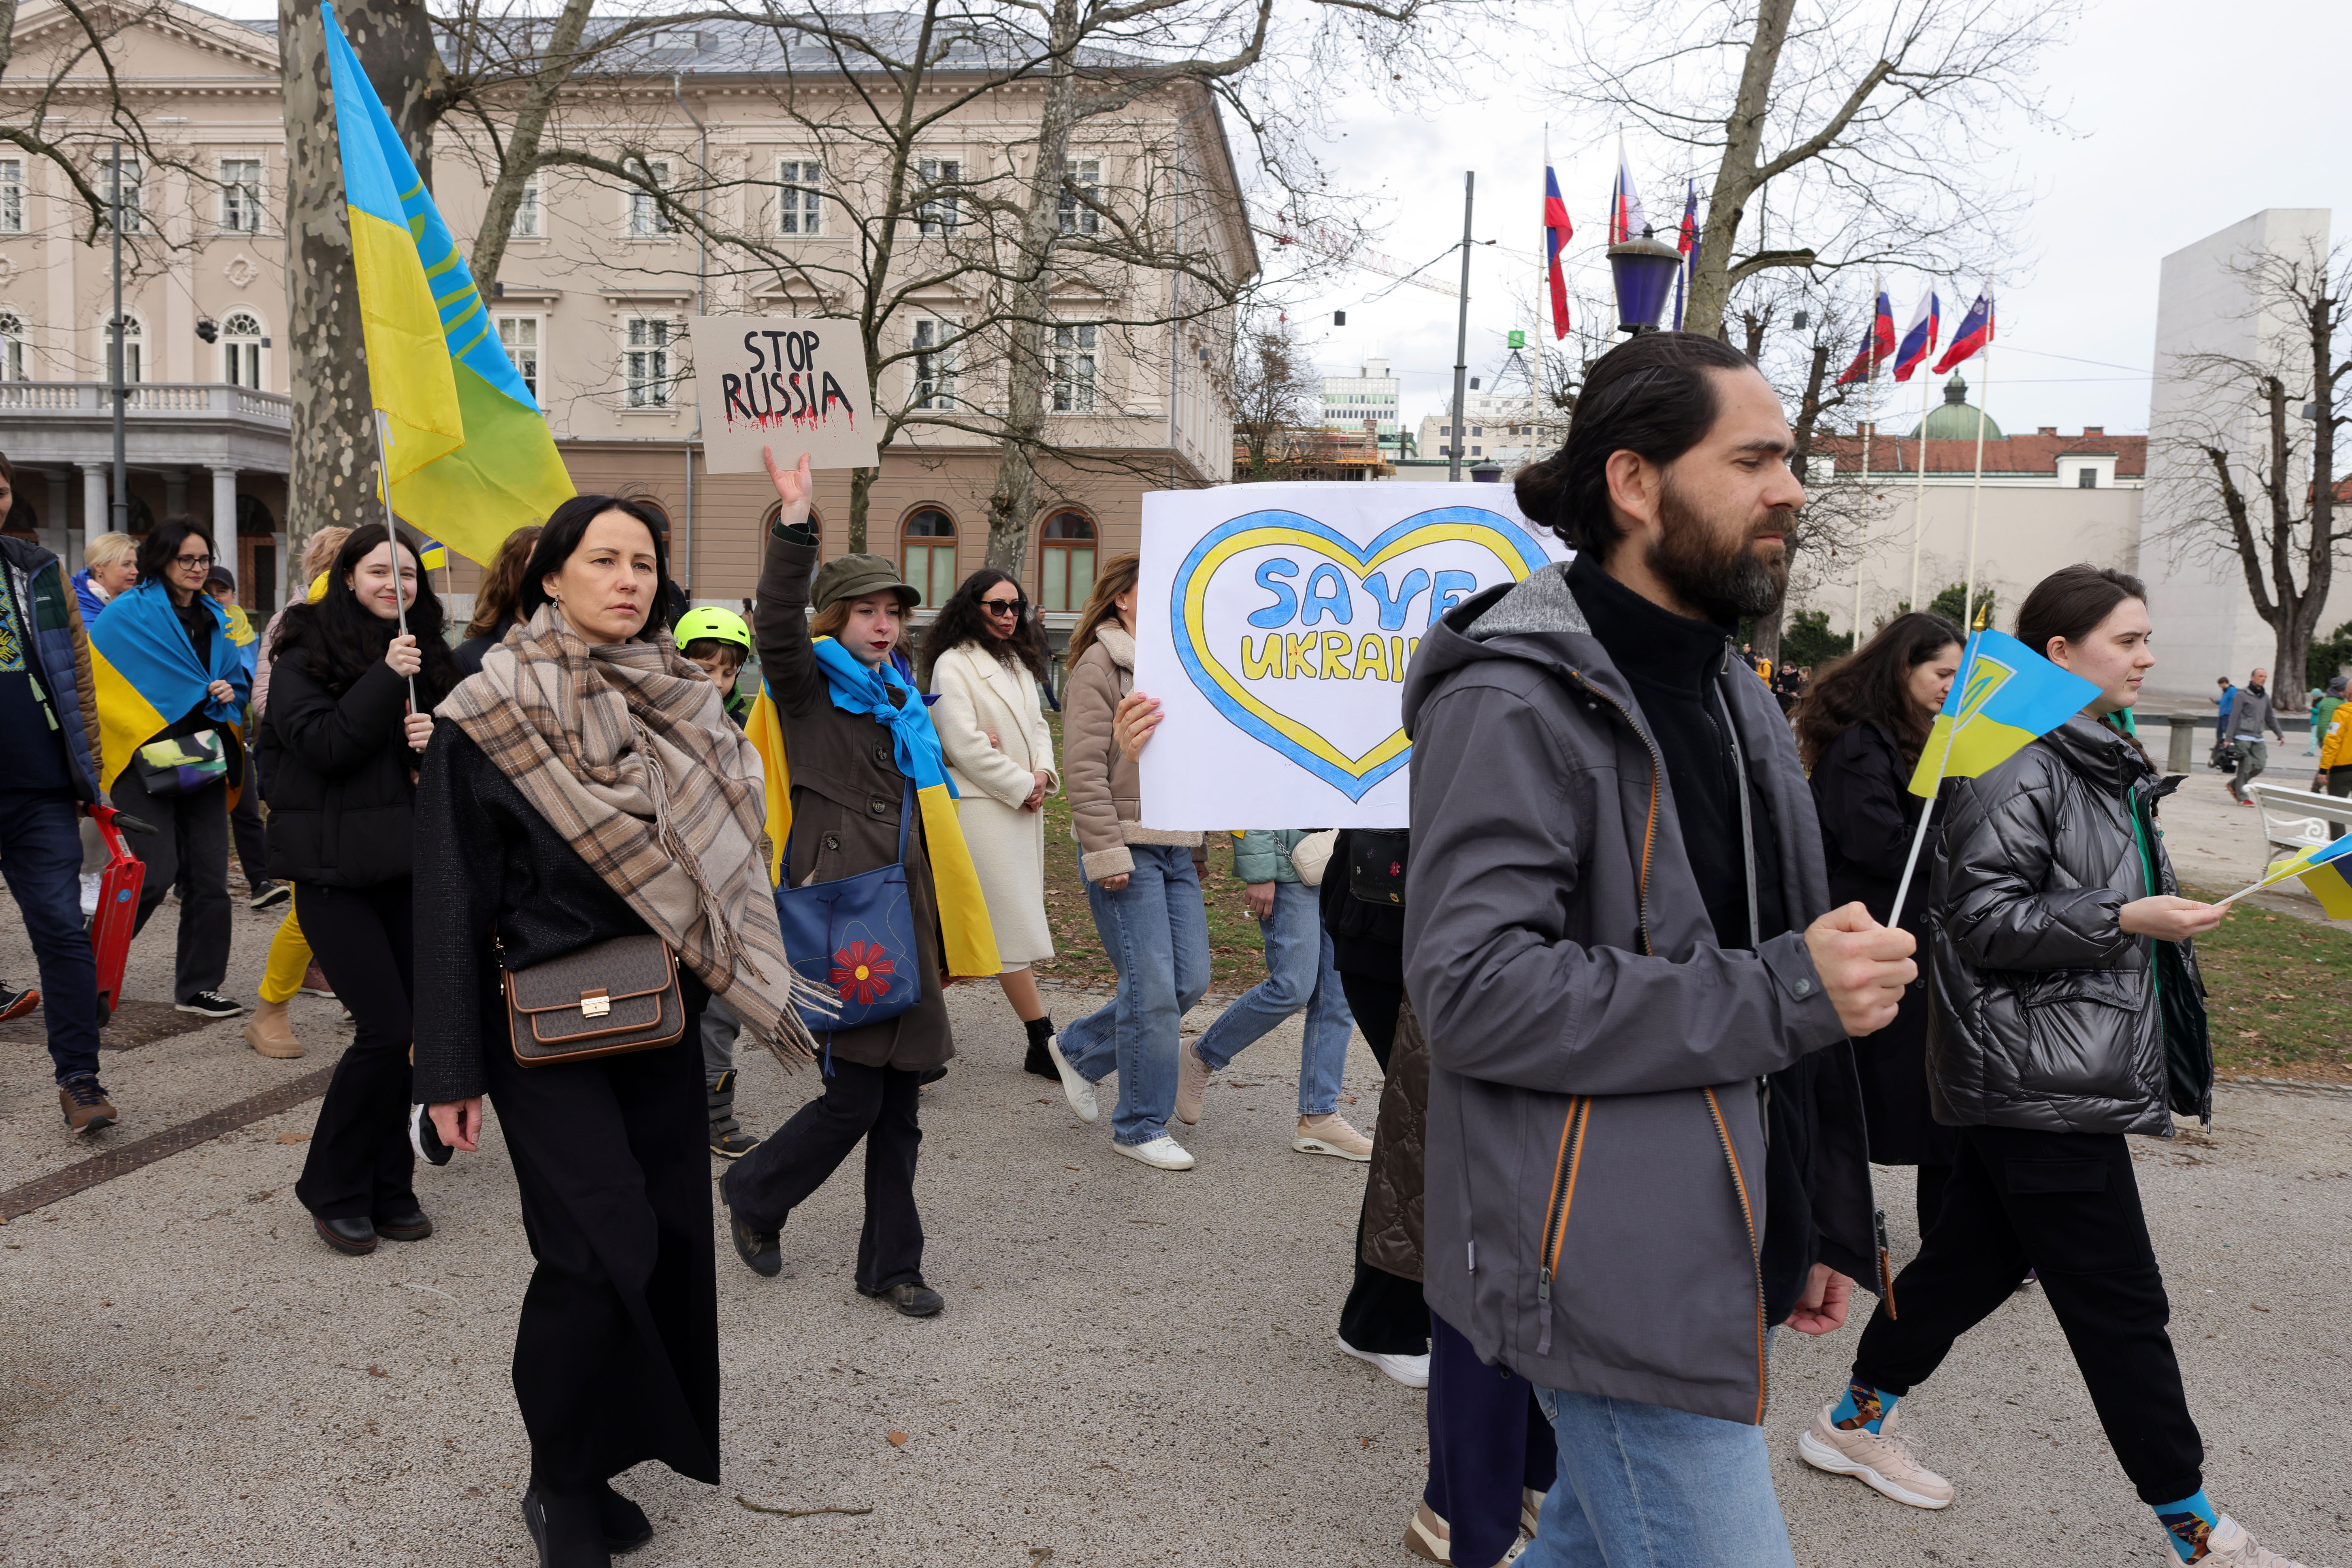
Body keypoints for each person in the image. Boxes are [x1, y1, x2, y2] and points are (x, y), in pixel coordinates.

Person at [1402, 330, 1914, 1565]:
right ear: (1634, 483)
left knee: (1584, 1545)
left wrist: (1812, 1211)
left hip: (1716, 1238)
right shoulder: (1512, 695)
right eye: (1754, 461)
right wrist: (1789, 988)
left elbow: (1759, 960)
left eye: (1789, 461)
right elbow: (1474, 991)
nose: (1791, 490)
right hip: (1608, 1268)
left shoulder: (1731, 688)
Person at [1798, 567, 2326, 1568]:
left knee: (1972, 1262)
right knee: (2120, 1305)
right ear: (2058, 653)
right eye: (2128, 639)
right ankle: (2197, 1534)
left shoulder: (2095, 755)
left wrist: (2147, 920)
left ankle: (1851, 1422)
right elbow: (1981, 920)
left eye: (2146, 637)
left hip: (2050, 1066)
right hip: (2033, 1077)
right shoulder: (2015, 759)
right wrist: (2125, 916)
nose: (2147, 656)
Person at [415, 491, 804, 1567]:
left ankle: (593, 1459)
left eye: (644, 562)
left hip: (659, 1014)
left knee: (665, 1243)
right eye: (603, 559)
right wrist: (445, 1069)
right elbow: (447, 897)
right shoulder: (485, 710)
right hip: (540, 1028)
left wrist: (793, 533)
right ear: (550, 575)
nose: (629, 579)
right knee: (597, 1252)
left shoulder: (681, 699)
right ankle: (557, 1481)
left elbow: (724, 852)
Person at [720, 446, 991, 1314]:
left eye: (893, 612)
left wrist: (945, 928)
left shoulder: (900, 696)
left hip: (908, 913)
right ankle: (755, 1190)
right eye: (867, 611)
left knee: (900, 1105)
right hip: (848, 921)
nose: (883, 625)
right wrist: (796, 519)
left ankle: (892, 1266)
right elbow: (775, 627)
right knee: (854, 1101)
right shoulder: (806, 688)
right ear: (835, 617)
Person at [264, 524, 457, 1256]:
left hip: (407, 870)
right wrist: (383, 674)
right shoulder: (302, 650)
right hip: (333, 875)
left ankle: (389, 1186)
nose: (394, 584)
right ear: (348, 576)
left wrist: (435, 742)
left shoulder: (426, 654)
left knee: (412, 1035)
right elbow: (326, 746)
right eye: (379, 570)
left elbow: (450, 765)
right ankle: (333, 1186)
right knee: (386, 1029)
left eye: (406, 573)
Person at [1792, 614, 1963, 1237]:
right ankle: (1828, 1226)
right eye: (1942, 673)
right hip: (1866, 940)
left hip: (1914, 942)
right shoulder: (1863, 744)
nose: (1952, 686)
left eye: (1959, 677)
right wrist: (1969, 838)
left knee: (1935, 1102)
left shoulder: (1929, 739)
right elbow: (1879, 844)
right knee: (1854, 1097)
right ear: (1903, 667)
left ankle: (1950, 1240)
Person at [1041, 552, 1211, 1171]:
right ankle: (1139, 1126)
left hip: (1175, 845)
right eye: (1153, 584)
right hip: (1125, 844)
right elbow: (1085, 770)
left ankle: (1080, 1051)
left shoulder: (1182, 662)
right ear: (1122, 598)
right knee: (1153, 990)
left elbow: (1190, 765)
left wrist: (1198, 845)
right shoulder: (1099, 664)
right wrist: (1105, 852)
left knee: (1189, 981)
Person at [0, 452, 119, 1133]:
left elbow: (77, 675)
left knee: (61, 929)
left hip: (40, 787)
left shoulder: (37, 570)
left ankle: (80, 1078)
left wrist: (87, 775)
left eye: (0, 490)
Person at [95, 515, 251, 1020]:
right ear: (162, 560)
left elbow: (238, 682)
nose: (197, 568)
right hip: (142, 759)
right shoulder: (126, 614)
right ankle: (84, 970)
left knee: (209, 877)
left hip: (201, 752)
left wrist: (229, 691)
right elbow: (97, 685)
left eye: (204, 559)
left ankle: (199, 987)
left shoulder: (217, 615)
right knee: (151, 875)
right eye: (187, 559)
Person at [921, 567, 1064, 1080]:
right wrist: (1024, 784)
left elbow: (1039, 725)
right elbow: (962, 743)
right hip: (983, 810)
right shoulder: (954, 664)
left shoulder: (1017, 660)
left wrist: (1043, 774)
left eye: (1015, 606)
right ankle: (1040, 1040)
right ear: (972, 606)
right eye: (997, 606)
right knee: (985, 928)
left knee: (996, 930)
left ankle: (1038, 1040)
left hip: (1017, 808)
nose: (1009, 615)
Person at [1176, 831, 1372, 1158]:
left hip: (1340, 864)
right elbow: (1252, 804)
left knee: (1337, 999)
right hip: (1287, 865)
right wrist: (1260, 873)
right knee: (1291, 987)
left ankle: (1320, 1116)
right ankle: (1201, 1055)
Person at [243, 524, 352, 1055]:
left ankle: (381, 1006)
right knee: (312, 903)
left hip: (366, 785)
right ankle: (270, 1010)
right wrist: (333, 720)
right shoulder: (294, 620)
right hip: (310, 780)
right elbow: (266, 698)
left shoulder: (381, 625)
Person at [671, 605, 762, 1157]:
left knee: (723, 1002)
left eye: (728, 672)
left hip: (726, 881)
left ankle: (714, 1109)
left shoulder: (745, 725)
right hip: (667, 881)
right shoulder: (651, 716)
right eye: (705, 669)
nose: (718, 682)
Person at [205, 564, 283, 912]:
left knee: (247, 808)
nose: (215, 597)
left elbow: (254, 684)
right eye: (209, 591)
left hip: (238, 729)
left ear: (234, 595)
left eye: (221, 591)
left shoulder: (248, 634)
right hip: (200, 730)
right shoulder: (194, 626)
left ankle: (260, 882)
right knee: (201, 811)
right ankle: (190, 878)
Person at [454, 524, 543, 676]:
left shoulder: (582, 646)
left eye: (556, 567)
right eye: (536, 566)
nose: (549, 576)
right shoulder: (469, 658)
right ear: (511, 575)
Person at [2224, 665, 2285, 805]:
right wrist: (2228, 738)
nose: (2263, 679)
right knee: (2246, 765)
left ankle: (2235, 784)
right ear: (2252, 678)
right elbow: (2234, 717)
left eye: (2265, 677)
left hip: (2258, 737)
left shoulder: (2265, 697)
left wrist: (2280, 734)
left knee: (2260, 765)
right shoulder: (2241, 695)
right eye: (2260, 676)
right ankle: (2243, 797)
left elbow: (2270, 717)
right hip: (2242, 736)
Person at [2313, 677, 2352, 840]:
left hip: (2342, 770)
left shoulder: (2343, 712)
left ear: (2348, 692)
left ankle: (2338, 848)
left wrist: (2324, 769)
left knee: (2336, 812)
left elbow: (2332, 742)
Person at [72, 531, 138, 626]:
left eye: (135, 564)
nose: (135, 571)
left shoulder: (140, 602)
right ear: (99, 567)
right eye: (126, 564)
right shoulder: (74, 602)